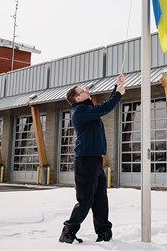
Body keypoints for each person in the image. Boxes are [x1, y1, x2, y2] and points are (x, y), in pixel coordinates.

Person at [59, 74, 125, 244]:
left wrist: (116, 88)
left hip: (95, 160)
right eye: (82, 91)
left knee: (100, 197)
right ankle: (68, 231)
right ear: (76, 98)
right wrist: (118, 94)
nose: (87, 91)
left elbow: (99, 108)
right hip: (85, 161)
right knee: (85, 199)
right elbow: (103, 109)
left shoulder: (86, 109)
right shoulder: (79, 111)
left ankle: (103, 232)